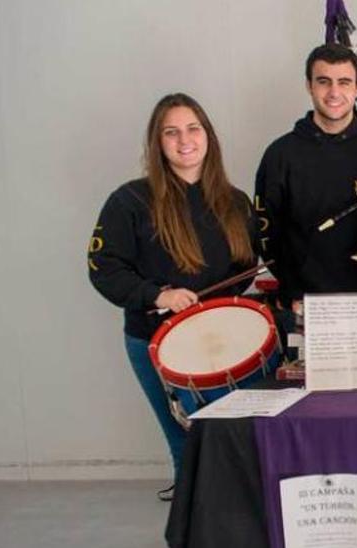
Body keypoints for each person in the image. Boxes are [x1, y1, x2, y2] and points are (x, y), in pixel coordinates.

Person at [88, 93, 257, 500]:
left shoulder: (235, 201)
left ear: (208, 136)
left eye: (193, 128)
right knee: (185, 445)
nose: (185, 140)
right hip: (153, 340)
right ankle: (190, 520)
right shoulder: (129, 201)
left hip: (220, 343)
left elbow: (244, 270)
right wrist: (159, 295)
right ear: (158, 143)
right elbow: (104, 268)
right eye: (172, 132)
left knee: (228, 446)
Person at [254, 43, 357, 325]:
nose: (334, 93)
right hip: (309, 306)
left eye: (344, 82)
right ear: (309, 86)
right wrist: (291, 289)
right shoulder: (280, 155)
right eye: (323, 82)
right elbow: (266, 232)